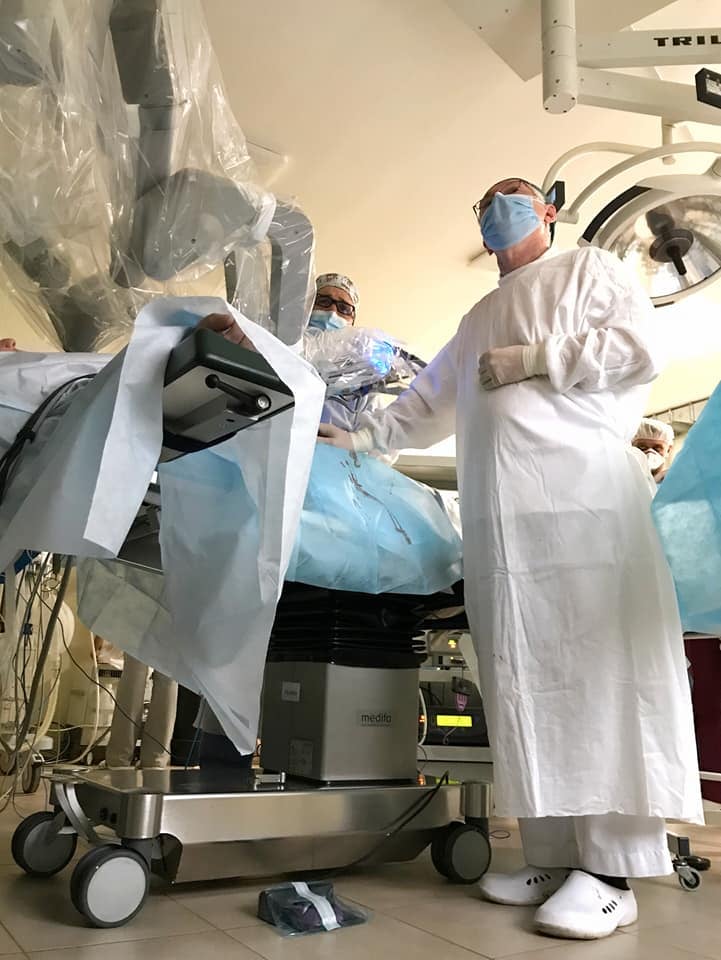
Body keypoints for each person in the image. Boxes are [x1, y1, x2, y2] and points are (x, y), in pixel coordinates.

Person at [319, 177, 702, 941]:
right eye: (487, 199)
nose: (499, 205)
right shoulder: (476, 318)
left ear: (548, 212)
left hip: (584, 511)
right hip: (505, 530)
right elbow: (424, 404)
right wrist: (356, 440)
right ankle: (553, 857)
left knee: (595, 679)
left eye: (515, 193)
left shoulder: (589, 269)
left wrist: (533, 358)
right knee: (523, 683)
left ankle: (611, 872)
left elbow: (640, 350)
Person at [633, 417, 675, 484]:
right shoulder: (622, 480)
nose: (650, 453)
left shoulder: (673, 481)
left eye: (657, 449)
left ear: (668, 450)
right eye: (642, 448)